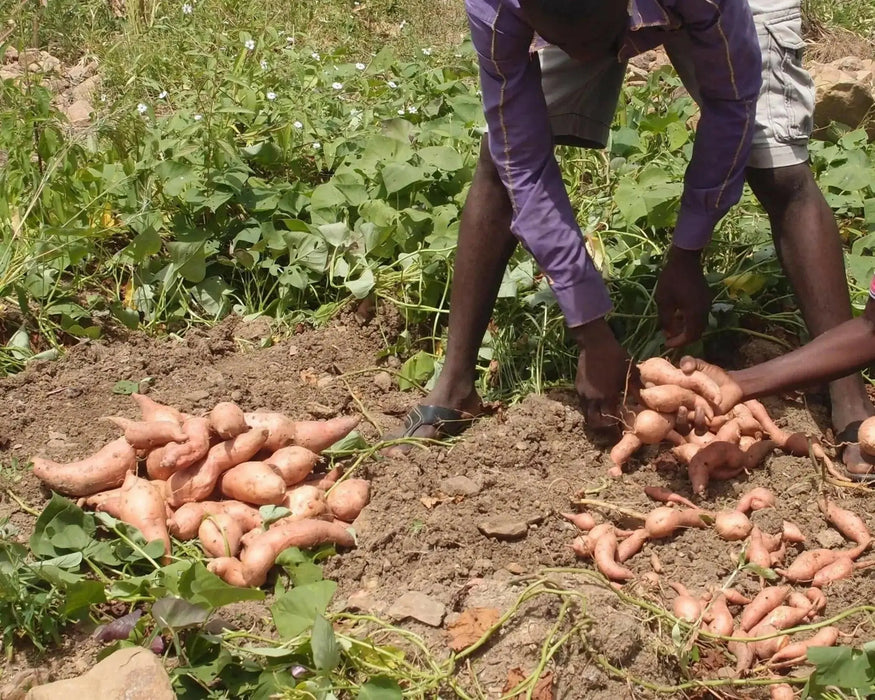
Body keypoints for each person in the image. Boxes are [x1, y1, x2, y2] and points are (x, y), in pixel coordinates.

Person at [387, 0, 875, 477]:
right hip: (568, 15)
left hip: (721, 8)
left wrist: (689, 252)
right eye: (564, 44)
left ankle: (846, 389)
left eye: (591, 43)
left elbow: (733, 102)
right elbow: (525, 163)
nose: (582, 60)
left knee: (779, 170)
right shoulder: (497, 8)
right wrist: (589, 330)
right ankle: (455, 384)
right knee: (503, 158)